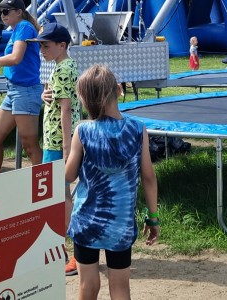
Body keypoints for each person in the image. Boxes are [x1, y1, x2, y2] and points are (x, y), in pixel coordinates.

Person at [66, 64, 159, 299]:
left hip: (87, 221)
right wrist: (153, 217)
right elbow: (148, 177)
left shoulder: (83, 131)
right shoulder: (138, 129)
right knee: (120, 289)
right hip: (121, 224)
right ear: (119, 90)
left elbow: (69, 176)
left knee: (88, 286)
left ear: (85, 99)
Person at [34, 22, 81, 276]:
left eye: (46, 45)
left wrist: (65, 147)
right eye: (41, 45)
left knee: (61, 197)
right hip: (56, 141)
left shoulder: (64, 68)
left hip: (57, 143)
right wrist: (44, 96)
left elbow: (65, 109)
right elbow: (62, 100)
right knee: (58, 196)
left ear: (62, 45)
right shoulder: (64, 66)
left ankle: (71, 254)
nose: (42, 50)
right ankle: (62, 251)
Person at [0, 0, 42, 175]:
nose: (2, 15)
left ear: (19, 12)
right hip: (14, 91)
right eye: (1, 11)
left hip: (25, 91)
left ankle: (45, 187)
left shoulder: (23, 26)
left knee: (30, 146)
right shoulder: (18, 28)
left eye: (6, 11)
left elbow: (16, 58)